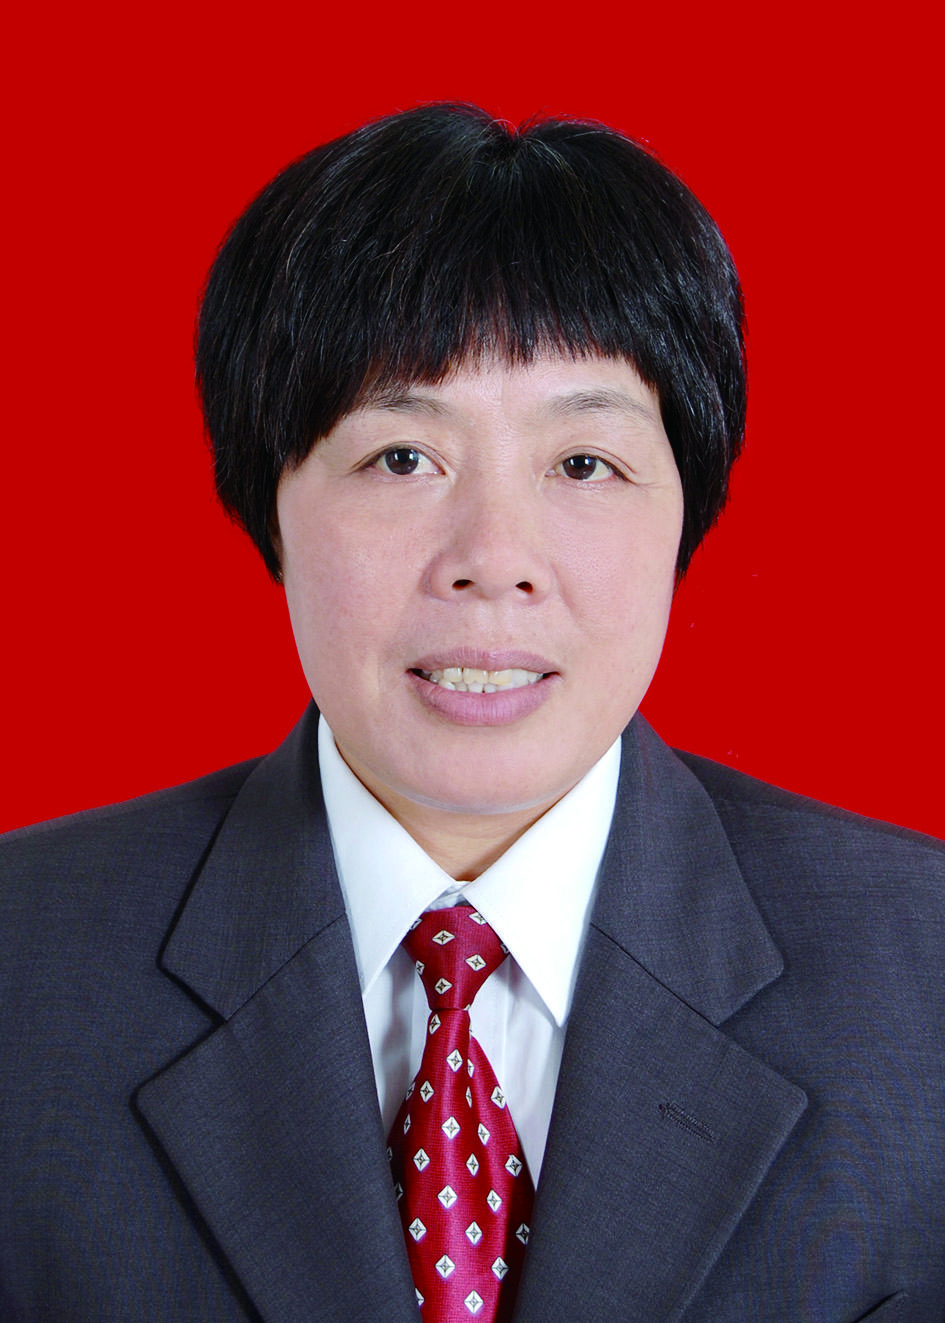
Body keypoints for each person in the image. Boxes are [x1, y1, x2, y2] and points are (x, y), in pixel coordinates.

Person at [1, 103, 942, 1323]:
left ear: (687, 512)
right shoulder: (24, 966)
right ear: (268, 501)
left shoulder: (921, 974)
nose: (493, 560)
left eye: (583, 464)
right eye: (402, 457)